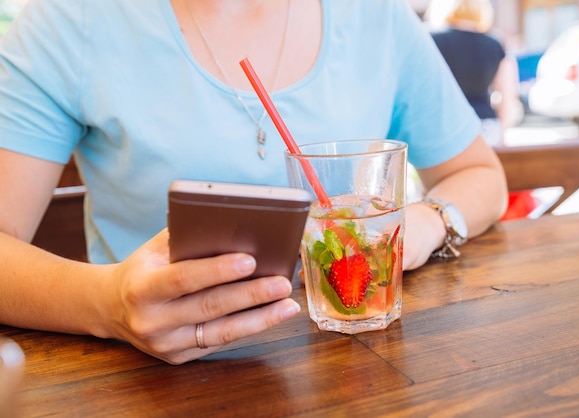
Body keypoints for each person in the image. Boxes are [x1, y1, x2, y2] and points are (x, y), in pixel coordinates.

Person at [0, 0, 508, 364]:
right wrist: (107, 304)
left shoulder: (376, 16)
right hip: (139, 375)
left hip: (349, 360)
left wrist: (420, 225)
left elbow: (479, 176)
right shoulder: (71, 19)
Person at [426, 0, 521, 147]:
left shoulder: (431, 39)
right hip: (485, 128)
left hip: (443, 127)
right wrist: (502, 132)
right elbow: (507, 97)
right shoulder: (495, 44)